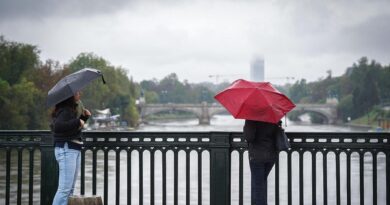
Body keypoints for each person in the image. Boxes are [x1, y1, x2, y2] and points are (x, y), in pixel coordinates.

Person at [50, 91, 91, 205]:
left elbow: (72, 130)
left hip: (73, 149)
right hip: (66, 149)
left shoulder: (71, 110)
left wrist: (84, 117)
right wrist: (78, 120)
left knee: (70, 190)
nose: (80, 94)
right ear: (70, 96)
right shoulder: (65, 110)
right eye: (77, 92)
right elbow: (58, 127)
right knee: (64, 190)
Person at [243, 120, 281, 205]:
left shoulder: (251, 118)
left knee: (258, 187)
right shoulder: (273, 116)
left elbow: (249, 137)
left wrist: (246, 128)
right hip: (271, 155)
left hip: (257, 156)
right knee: (260, 184)